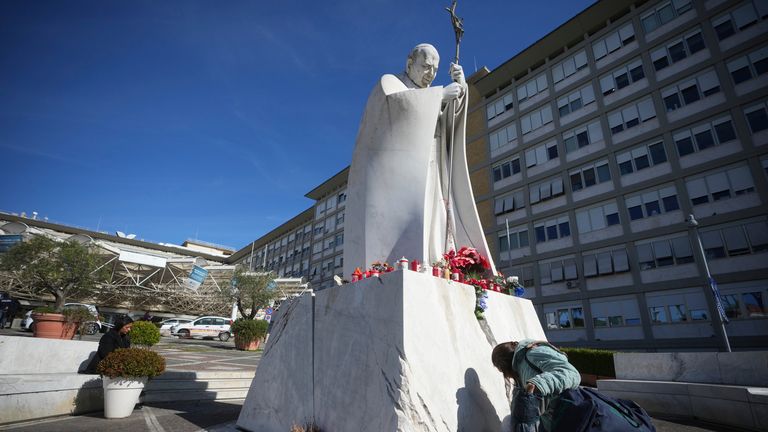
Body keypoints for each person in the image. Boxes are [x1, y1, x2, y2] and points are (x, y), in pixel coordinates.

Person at [342, 43, 495, 278]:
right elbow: (395, 108)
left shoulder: (429, 92)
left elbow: (447, 126)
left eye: (435, 69)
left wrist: (460, 90)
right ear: (409, 62)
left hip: (433, 162)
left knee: (435, 214)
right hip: (401, 174)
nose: (431, 74)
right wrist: (439, 96)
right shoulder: (390, 84)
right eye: (425, 67)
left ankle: (438, 260)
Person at [492, 339, 580, 431]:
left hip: (572, 416)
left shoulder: (532, 353)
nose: (507, 376)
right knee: (508, 422)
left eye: (502, 371)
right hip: (554, 423)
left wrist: (538, 384)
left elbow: (571, 374)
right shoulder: (519, 370)